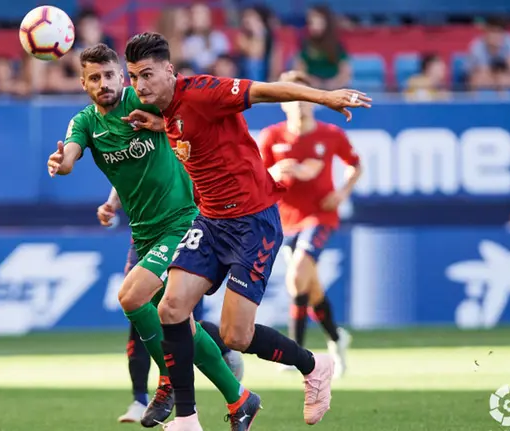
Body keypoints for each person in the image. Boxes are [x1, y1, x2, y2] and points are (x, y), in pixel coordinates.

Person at [123, 32, 370, 430]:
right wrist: (157, 124)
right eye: (134, 76)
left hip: (253, 222)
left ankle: (314, 365)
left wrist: (325, 96)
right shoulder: (163, 108)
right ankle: (186, 418)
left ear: (169, 70)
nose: (140, 85)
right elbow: (188, 131)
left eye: (148, 74)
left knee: (236, 336)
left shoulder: (204, 91)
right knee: (170, 309)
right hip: (210, 221)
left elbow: (267, 91)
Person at [45, 43, 250, 428]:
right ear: (84, 83)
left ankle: (169, 380)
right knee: (177, 322)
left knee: (132, 297)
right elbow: (71, 154)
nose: (103, 83)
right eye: (94, 78)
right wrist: (64, 162)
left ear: (122, 76)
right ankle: (239, 398)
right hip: (144, 233)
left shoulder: (147, 102)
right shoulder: (85, 123)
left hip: (183, 221)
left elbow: (189, 111)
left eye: (109, 75)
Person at [258, 71, 362, 379]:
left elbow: (355, 165)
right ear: (283, 103)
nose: (300, 105)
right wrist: (278, 170)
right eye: (293, 98)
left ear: (314, 102)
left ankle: (294, 353)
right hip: (284, 220)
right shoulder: (272, 137)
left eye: (305, 98)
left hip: (319, 216)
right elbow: (259, 178)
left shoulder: (330, 135)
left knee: (296, 276)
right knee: (309, 285)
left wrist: (342, 192)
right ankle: (336, 337)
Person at [117, 237, 244, 423]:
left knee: (183, 322)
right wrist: (113, 205)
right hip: (143, 235)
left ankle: (229, 382)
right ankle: (141, 399)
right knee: (138, 308)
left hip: (179, 231)